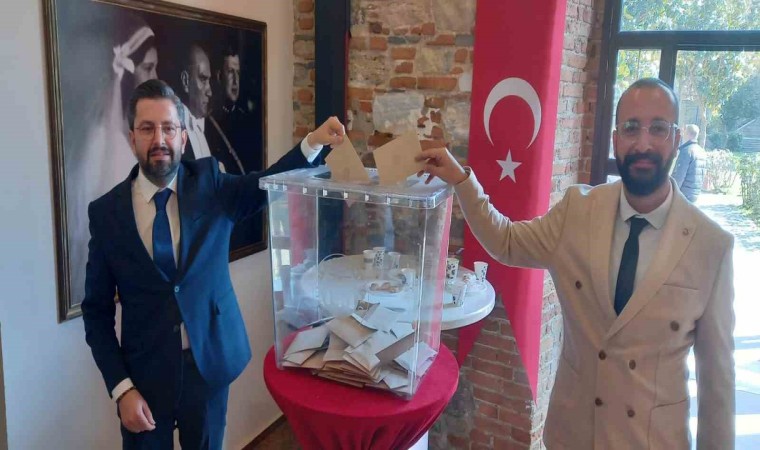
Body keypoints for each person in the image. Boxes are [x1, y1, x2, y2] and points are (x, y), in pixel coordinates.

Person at [417, 78, 734, 449]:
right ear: (615, 138)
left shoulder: (711, 245)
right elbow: (506, 241)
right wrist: (461, 179)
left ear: (676, 138)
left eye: (658, 128)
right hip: (574, 435)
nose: (643, 143)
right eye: (631, 128)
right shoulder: (578, 212)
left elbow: (717, 383)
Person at [82, 79, 345, 449]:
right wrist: (121, 388)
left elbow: (265, 183)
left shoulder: (211, 184)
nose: (159, 139)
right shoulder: (106, 213)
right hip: (143, 378)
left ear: (183, 137)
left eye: (168, 128)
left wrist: (313, 143)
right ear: (131, 138)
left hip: (207, 371)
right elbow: (96, 312)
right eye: (147, 128)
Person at [68, 15, 159, 306]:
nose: (156, 77)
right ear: (128, 74)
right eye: (148, 68)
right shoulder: (105, 146)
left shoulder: (133, 144)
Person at [673, 123, 706, 202]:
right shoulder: (702, 152)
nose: (682, 134)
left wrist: (672, 192)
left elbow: (680, 175)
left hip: (683, 194)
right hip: (695, 193)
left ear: (687, 134)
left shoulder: (686, 151)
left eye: (684, 132)